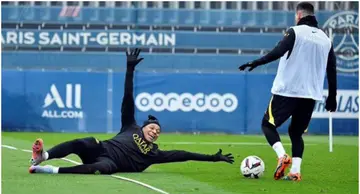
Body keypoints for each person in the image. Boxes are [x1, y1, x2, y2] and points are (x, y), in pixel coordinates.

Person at [29, 48, 234, 174]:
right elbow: (128, 97)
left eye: (158, 132)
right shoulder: (130, 126)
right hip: (100, 150)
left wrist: (213, 158)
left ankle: (51, 170)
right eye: (153, 128)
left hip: (108, 163)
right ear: (144, 127)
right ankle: (43, 157)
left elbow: (184, 154)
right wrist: (130, 69)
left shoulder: (154, 153)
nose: (155, 131)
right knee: (85, 141)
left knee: (104, 170)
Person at [238, 2, 337, 181]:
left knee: (267, 125)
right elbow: (332, 69)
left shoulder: (294, 32)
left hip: (287, 90)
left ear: (299, 15)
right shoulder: (326, 39)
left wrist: (256, 62)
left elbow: (278, 51)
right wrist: (332, 96)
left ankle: (282, 156)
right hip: (310, 94)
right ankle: (295, 172)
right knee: (296, 133)